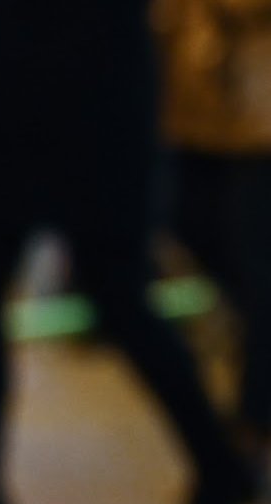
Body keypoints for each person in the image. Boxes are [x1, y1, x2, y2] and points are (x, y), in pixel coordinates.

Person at [0, 0, 259, 504]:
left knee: (98, 294)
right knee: (59, 295)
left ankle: (220, 467)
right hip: (70, 80)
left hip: (75, 83)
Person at [158, 0, 271, 468]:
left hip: (255, 104)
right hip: (193, 105)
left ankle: (256, 417)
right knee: (192, 227)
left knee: (255, 262)